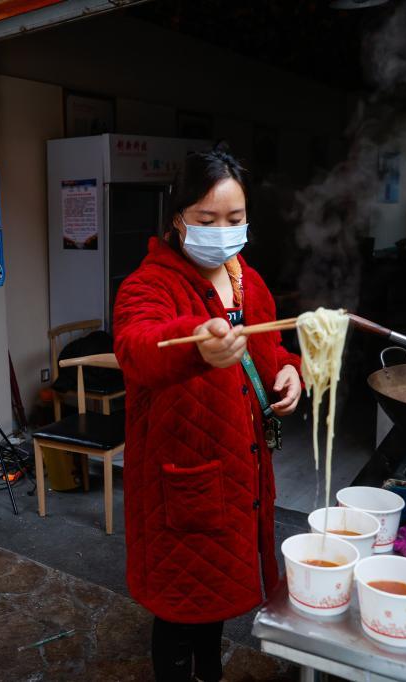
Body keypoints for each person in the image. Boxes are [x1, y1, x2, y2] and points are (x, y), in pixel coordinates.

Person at [112, 146, 303, 682]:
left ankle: (210, 675)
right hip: (182, 479)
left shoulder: (248, 280)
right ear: (178, 220)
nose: (223, 230)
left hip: (239, 473)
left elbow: (271, 355)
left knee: (213, 600)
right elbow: (137, 344)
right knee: (180, 606)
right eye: (207, 219)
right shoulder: (148, 286)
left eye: (235, 219)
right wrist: (195, 343)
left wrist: (290, 372)